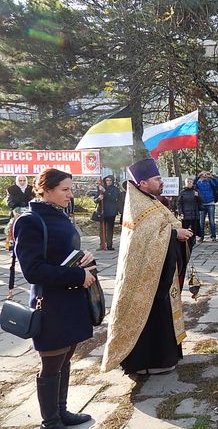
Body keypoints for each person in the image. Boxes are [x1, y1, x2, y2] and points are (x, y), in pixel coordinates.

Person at [14, 168, 97, 428]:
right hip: (50, 305)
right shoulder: (30, 220)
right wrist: (77, 277)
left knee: (65, 358)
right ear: (46, 190)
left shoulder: (59, 215)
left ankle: (62, 412)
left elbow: (61, 253)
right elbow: (33, 270)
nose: (71, 195)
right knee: (51, 364)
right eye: (65, 190)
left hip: (71, 303)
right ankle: (50, 422)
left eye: (71, 189)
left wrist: (86, 261)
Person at [102, 158, 193, 375]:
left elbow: (163, 226)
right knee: (150, 315)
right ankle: (146, 363)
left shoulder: (150, 200)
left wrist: (177, 232)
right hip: (144, 276)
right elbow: (144, 238)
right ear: (143, 183)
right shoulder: (138, 204)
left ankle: (163, 358)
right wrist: (174, 234)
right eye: (157, 178)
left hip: (160, 271)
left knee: (162, 314)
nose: (161, 182)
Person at [93, 175, 120, 251]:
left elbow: (114, 198)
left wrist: (105, 192)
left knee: (109, 229)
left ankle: (109, 245)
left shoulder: (115, 189)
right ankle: (102, 245)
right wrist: (99, 198)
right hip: (102, 211)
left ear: (112, 181)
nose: (108, 182)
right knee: (102, 229)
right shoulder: (100, 189)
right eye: (107, 180)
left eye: (110, 180)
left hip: (111, 212)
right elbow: (95, 200)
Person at [195, 171, 218, 242]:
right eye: (204, 175)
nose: (205, 176)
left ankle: (213, 236)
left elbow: (217, 185)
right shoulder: (198, 182)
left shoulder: (210, 181)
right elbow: (193, 184)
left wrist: (212, 177)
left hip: (210, 203)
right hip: (202, 203)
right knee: (201, 221)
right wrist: (197, 176)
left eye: (206, 175)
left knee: (212, 220)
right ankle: (201, 236)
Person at [177, 178, 202, 242]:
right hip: (186, 214)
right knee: (185, 228)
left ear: (193, 183)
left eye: (191, 182)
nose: (189, 183)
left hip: (194, 214)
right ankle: (185, 241)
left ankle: (193, 240)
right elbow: (179, 203)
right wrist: (180, 212)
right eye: (188, 182)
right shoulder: (182, 192)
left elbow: (201, 202)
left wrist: (197, 197)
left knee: (194, 229)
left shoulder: (196, 191)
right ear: (185, 183)